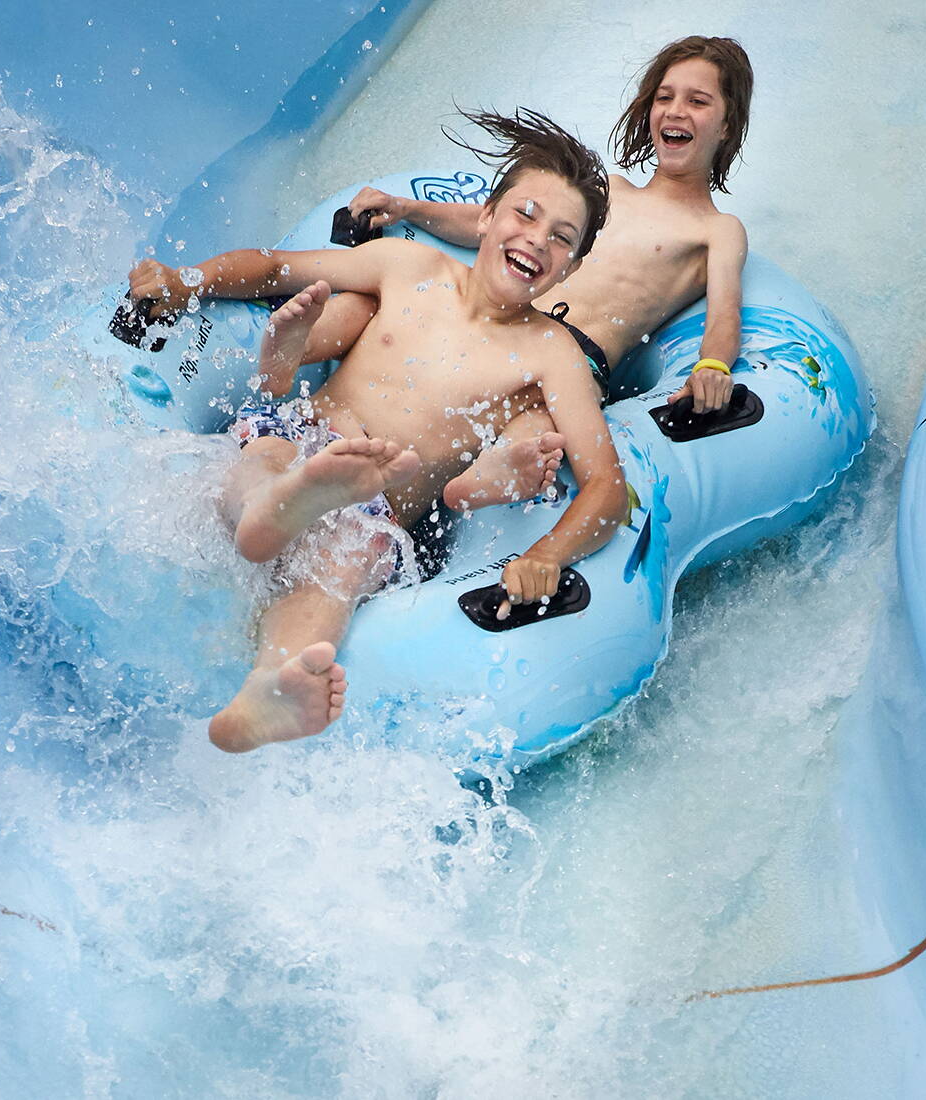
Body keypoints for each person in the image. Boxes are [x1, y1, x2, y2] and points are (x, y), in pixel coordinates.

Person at [127, 111, 628, 753]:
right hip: (302, 437)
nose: (537, 240)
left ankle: (269, 690)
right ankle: (273, 506)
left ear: (572, 266)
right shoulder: (410, 268)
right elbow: (275, 268)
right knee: (271, 455)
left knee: (344, 559)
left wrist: (544, 556)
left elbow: (606, 487)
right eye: (525, 214)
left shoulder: (550, 353)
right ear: (485, 216)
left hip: (376, 500)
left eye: (562, 238)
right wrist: (185, 280)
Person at [304, 35, 754, 416]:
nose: (676, 111)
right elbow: (496, 224)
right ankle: (295, 364)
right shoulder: (610, 190)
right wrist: (406, 208)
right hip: (508, 318)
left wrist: (712, 367)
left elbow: (724, 314)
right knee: (381, 316)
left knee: (508, 424)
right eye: (664, 97)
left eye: (698, 102)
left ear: (727, 124)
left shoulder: (717, 229)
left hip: (570, 358)